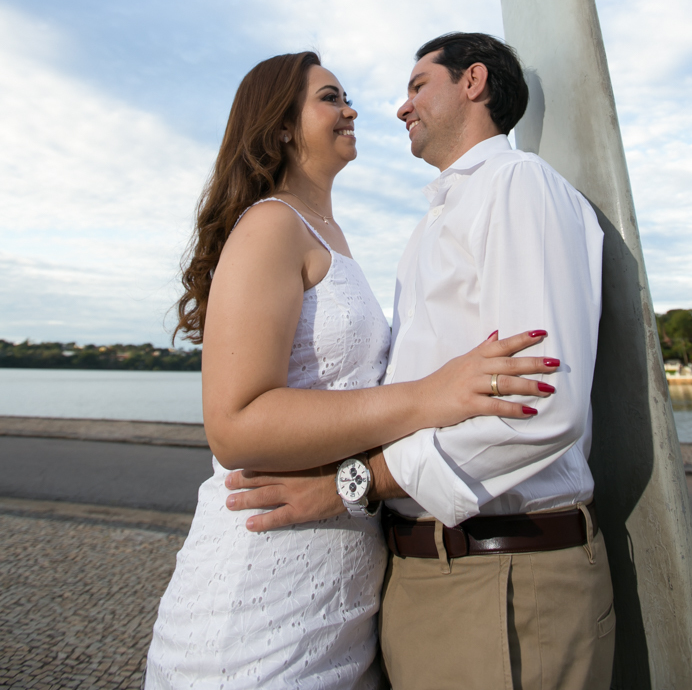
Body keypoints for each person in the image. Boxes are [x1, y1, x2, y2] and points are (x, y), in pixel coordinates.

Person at [144, 50, 554, 690]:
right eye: (330, 98)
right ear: (281, 125)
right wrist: (429, 397)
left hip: (343, 602)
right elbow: (235, 425)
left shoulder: (334, 237)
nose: (352, 109)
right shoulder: (270, 227)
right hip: (262, 593)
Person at [225, 33, 615, 690]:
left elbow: (541, 405)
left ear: (473, 82)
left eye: (416, 86)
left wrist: (355, 484)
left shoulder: (516, 185)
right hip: (421, 579)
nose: (400, 108)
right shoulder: (430, 226)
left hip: (504, 578)